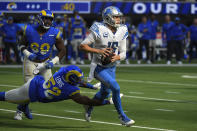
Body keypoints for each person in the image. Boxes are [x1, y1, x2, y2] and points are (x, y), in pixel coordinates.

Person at [79, 6, 135, 126]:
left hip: (112, 67)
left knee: (104, 93)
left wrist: (118, 57)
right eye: (116, 17)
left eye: (119, 17)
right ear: (108, 18)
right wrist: (99, 51)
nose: (118, 20)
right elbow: (82, 46)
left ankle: (89, 105)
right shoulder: (99, 28)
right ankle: (122, 117)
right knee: (116, 88)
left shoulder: (122, 29)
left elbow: (124, 52)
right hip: (98, 67)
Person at [0, 65, 111, 120]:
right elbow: (89, 101)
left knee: (7, 96)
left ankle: (23, 108)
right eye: (77, 79)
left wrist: (91, 87)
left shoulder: (63, 71)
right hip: (30, 93)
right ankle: (22, 108)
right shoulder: (71, 90)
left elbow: (79, 82)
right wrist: (107, 102)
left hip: (36, 83)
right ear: (71, 78)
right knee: (5, 96)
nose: (80, 81)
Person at [14, 9, 66, 120]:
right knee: (28, 89)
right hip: (31, 62)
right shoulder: (29, 29)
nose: (48, 21)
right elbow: (21, 45)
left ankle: (23, 106)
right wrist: (28, 54)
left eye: (50, 19)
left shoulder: (55, 32)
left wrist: (53, 61)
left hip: (46, 63)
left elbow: (63, 50)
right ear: (40, 19)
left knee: (49, 90)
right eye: (45, 18)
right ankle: (20, 109)